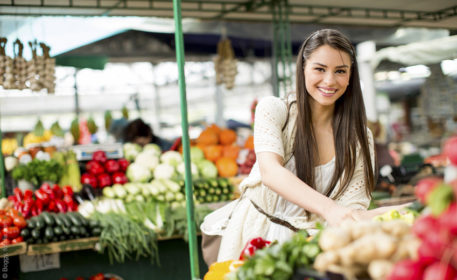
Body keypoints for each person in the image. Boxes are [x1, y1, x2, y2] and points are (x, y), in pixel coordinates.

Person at [201, 29, 409, 263]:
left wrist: (411, 210)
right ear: (302, 68)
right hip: (253, 238)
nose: (329, 81)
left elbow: (352, 211)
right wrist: (330, 209)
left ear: (351, 76)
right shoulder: (274, 110)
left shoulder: (360, 139)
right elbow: (271, 172)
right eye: (320, 69)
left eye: (340, 71)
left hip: (307, 247)